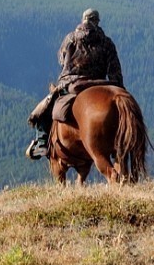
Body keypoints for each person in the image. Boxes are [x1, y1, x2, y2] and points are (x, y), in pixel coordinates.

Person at [25, 8, 124, 159]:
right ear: (97, 22)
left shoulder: (70, 38)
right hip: (100, 84)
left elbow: (61, 59)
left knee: (46, 108)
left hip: (73, 84)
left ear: (83, 20)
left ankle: (42, 143)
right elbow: (114, 70)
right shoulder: (106, 42)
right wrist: (118, 88)